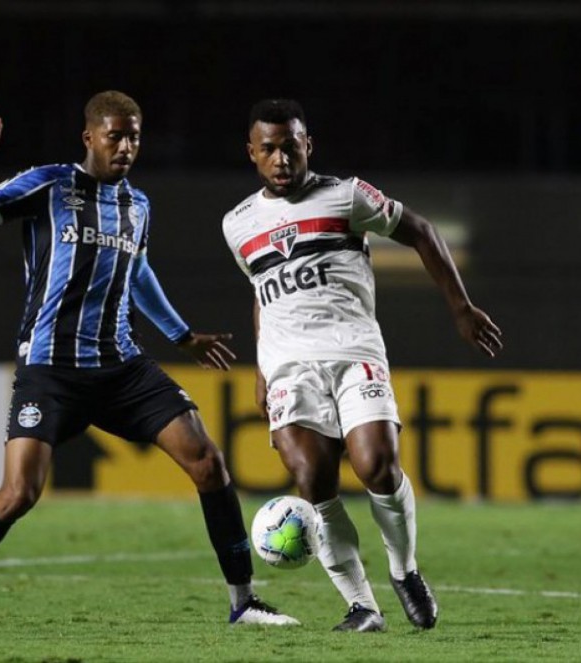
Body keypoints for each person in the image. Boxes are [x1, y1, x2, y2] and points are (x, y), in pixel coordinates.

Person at [0, 92, 298, 627]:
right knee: (19, 494)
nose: (127, 146)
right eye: (116, 136)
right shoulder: (48, 185)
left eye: (134, 136)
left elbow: (139, 275)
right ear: (89, 137)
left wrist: (181, 336)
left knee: (208, 462)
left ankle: (242, 601)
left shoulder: (138, 206)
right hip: (50, 370)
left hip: (120, 366)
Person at [221, 99, 503, 632]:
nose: (281, 158)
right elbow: (263, 292)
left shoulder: (346, 195)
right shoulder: (237, 224)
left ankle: (405, 570)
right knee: (312, 478)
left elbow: (420, 230)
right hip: (288, 368)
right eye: (269, 149)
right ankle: (362, 607)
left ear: (309, 145)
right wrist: (261, 369)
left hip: (354, 352)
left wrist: (460, 307)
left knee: (377, 465)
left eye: (290, 146)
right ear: (252, 153)